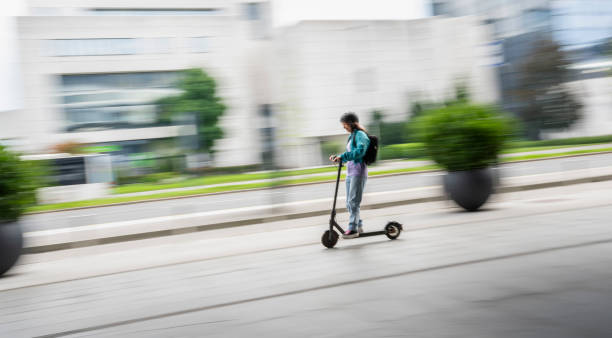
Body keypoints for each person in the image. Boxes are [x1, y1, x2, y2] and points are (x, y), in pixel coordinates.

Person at [329, 112, 370, 239]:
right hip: (350, 172)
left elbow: (359, 152)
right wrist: (338, 157)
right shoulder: (352, 136)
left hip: (358, 172)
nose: (344, 127)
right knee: (349, 202)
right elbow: (349, 153)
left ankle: (352, 229)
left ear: (351, 123)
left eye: (345, 124)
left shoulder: (361, 135)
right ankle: (359, 225)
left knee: (353, 202)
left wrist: (344, 156)